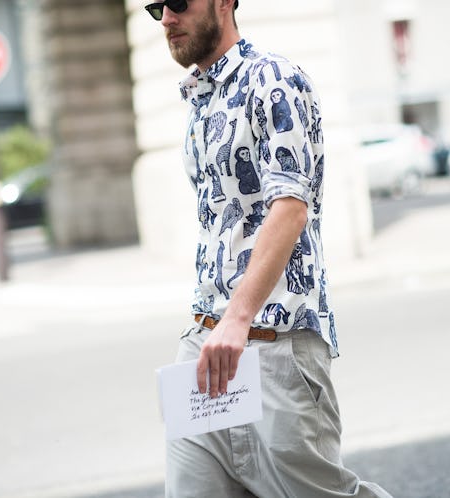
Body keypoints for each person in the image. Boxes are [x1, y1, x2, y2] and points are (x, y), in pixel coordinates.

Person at [144, 0, 394, 496]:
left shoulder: (274, 79)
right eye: (157, 8)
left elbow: (291, 204)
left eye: (178, 3)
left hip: (274, 343)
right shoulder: (199, 99)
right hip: (204, 344)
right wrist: (217, 324)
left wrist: (238, 317)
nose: (167, 18)